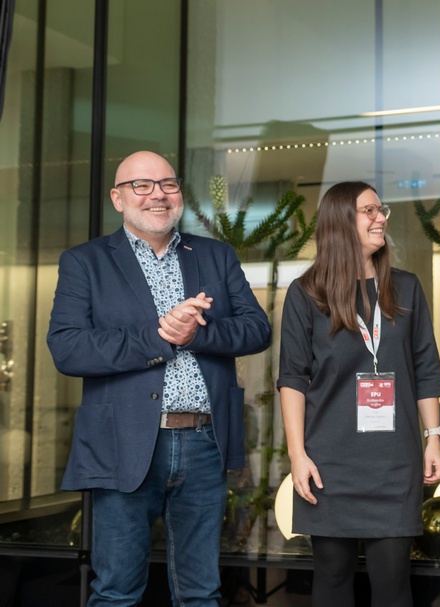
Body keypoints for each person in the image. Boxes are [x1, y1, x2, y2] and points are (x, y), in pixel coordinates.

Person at [47, 151, 271, 606]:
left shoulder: (215, 255)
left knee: (201, 592)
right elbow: (68, 347)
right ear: (117, 198)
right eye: (141, 185)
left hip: (204, 443)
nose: (157, 195)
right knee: (116, 591)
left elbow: (257, 328)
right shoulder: (85, 262)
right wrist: (158, 336)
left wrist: (193, 335)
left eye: (167, 184)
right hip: (122, 444)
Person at [278, 181, 440, 607]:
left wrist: (434, 438)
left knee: (392, 584)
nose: (381, 218)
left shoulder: (406, 288)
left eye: (381, 209)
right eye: (368, 211)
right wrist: (297, 455)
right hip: (329, 461)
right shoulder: (306, 294)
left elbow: (426, 368)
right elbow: (293, 379)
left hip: (393, 459)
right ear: (339, 223)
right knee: (332, 580)